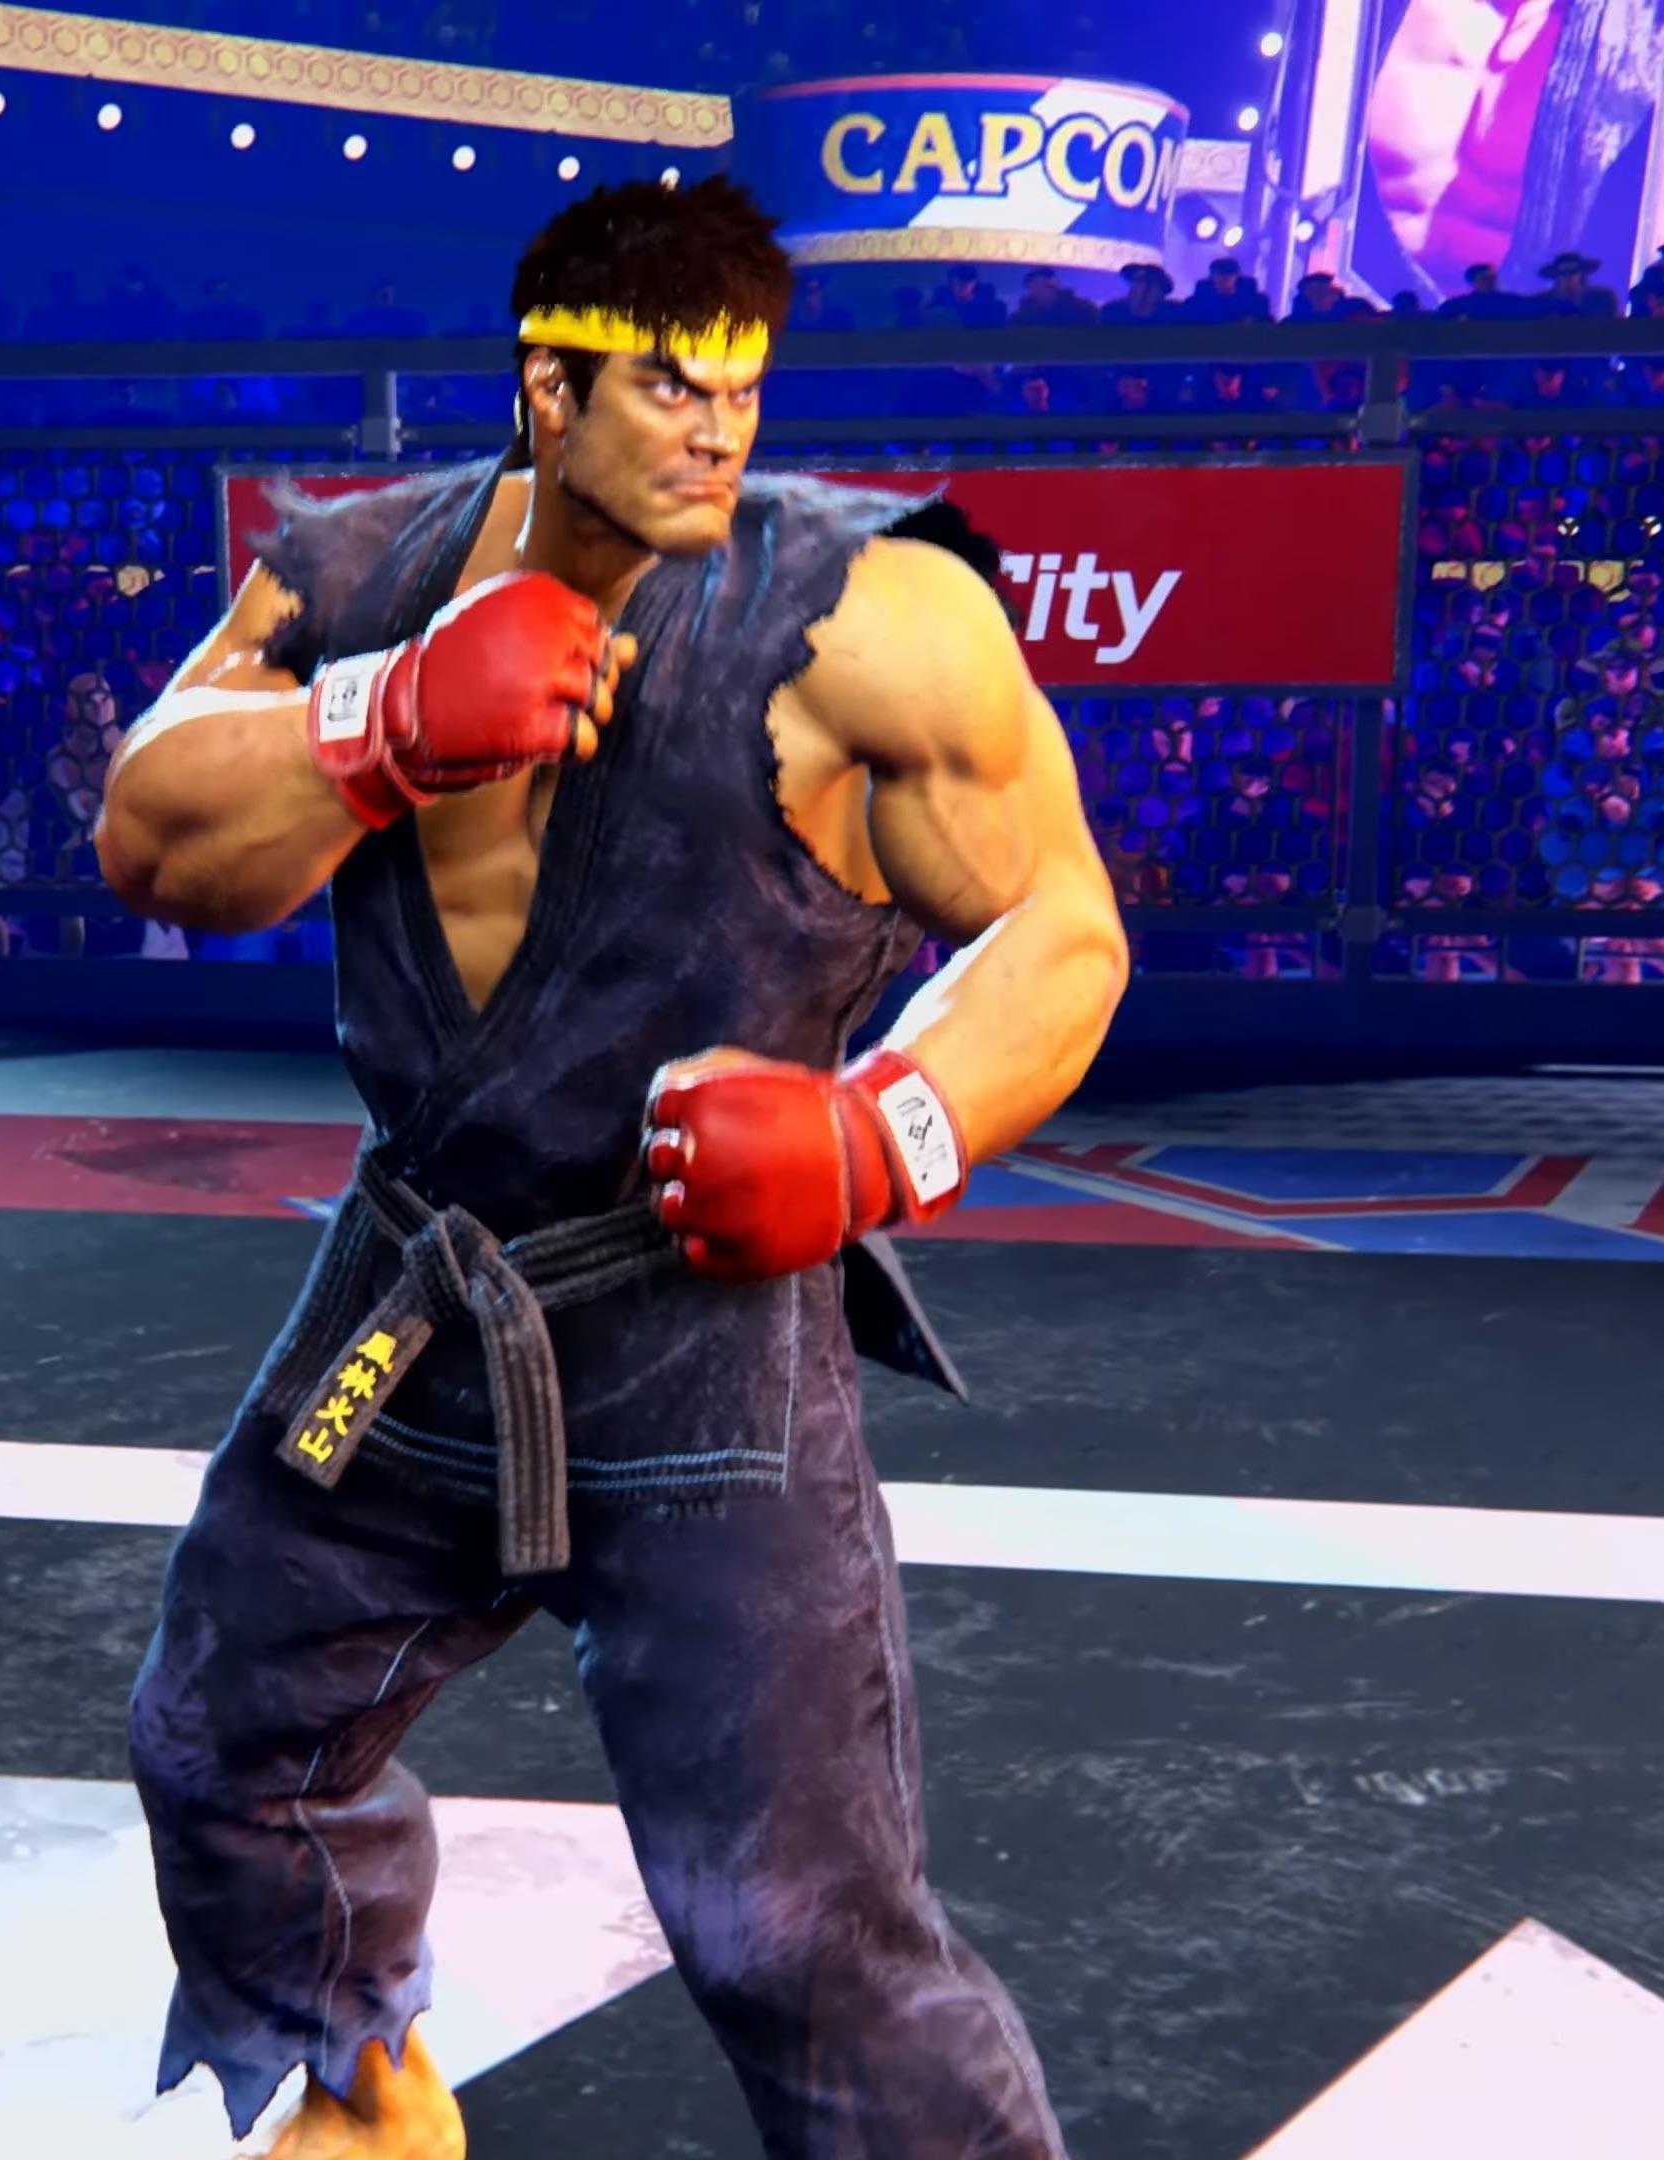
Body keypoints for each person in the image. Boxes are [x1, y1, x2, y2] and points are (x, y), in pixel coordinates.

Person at [98, 174, 1117, 2160]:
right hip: (422, 1292)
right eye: (666, 386)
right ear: (546, 391)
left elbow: (1062, 930)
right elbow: (151, 834)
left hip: (697, 1331)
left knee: (790, 1928)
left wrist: (874, 1131)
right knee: (223, 1743)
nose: (716, 431)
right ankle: (366, 2098)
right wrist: (383, 723)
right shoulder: (357, 575)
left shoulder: (872, 616)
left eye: (740, 388)